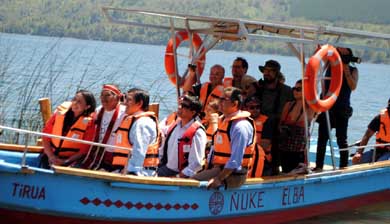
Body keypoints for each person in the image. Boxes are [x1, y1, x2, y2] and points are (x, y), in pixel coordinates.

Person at [193, 87, 255, 189]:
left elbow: (235, 161)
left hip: (234, 174)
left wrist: (218, 178)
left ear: (234, 104)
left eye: (223, 100)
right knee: (190, 179)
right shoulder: (223, 121)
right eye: (220, 99)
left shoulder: (240, 127)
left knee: (193, 183)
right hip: (219, 169)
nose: (219, 102)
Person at [315, 47, 359, 170]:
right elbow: (320, 53)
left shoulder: (353, 70)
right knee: (322, 138)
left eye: (345, 55)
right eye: (340, 55)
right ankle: (319, 166)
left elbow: (353, 86)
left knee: (341, 139)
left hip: (342, 108)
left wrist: (345, 69)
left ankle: (343, 166)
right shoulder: (329, 65)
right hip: (327, 106)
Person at [41, 90, 96, 168]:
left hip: (71, 160)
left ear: (87, 107)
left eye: (79, 102)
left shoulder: (90, 123)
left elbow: (84, 150)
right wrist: (51, 156)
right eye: (74, 99)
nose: (75, 103)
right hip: (51, 155)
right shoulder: (60, 113)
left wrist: (65, 161)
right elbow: (45, 136)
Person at [112, 88, 160, 176]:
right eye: (125, 99)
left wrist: (131, 171)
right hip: (123, 169)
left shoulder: (142, 123)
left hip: (141, 173)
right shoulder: (131, 120)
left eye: (129, 100)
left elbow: (139, 149)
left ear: (139, 103)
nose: (125, 103)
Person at [256, 59, 293, 175]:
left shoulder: (286, 90)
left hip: (277, 126)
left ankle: (275, 169)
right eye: (265, 71)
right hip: (259, 125)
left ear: (276, 74)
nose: (266, 73)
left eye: (270, 71)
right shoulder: (258, 88)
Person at [158, 95, 207, 178]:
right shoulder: (174, 126)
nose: (180, 107)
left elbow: (196, 163)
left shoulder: (197, 132)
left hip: (181, 174)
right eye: (180, 104)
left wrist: (178, 177)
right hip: (165, 168)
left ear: (193, 112)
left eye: (184, 106)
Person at [82, 84, 126, 171]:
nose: (103, 98)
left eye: (107, 95)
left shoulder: (124, 112)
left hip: (114, 154)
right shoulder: (99, 110)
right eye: (102, 95)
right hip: (98, 150)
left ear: (117, 97)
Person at [278, 80, 315, 173]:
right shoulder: (289, 105)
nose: (295, 91)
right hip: (286, 146)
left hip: (300, 149)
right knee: (286, 170)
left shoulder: (310, 107)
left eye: (298, 89)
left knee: (299, 171)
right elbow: (281, 123)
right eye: (294, 89)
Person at [242, 96, 273, 177]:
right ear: (245, 108)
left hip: (262, 159)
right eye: (252, 107)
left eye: (258, 107)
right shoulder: (241, 121)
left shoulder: (266, 121)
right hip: (244, 158)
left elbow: (265, 145)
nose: (255, 109)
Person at [352, 98, 390, 164]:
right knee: (357, 161)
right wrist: (359, 153)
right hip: (378, 150)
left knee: (381, 163)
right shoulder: (380, 118)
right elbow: (367, 135)